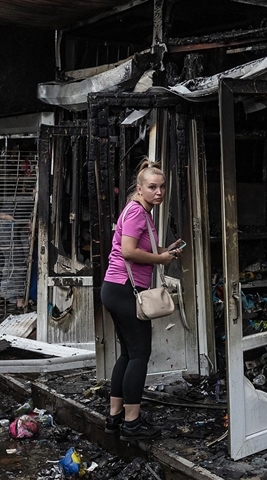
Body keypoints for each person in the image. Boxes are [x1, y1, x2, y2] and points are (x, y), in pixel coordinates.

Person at [101, 159, 182, 441]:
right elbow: (128, 252)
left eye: (161, 187)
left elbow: (140, 246)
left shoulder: (142, 211)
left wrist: (164, 250)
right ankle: (132, 424)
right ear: (139, 188)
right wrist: (159, 259)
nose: (158, 192)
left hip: (115, 288)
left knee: (127, 354)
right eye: (152, 187)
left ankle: (115, 417)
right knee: (139, 356)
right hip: (124, 289)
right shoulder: (136, 212)